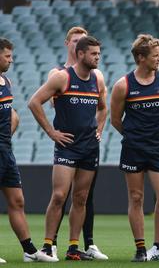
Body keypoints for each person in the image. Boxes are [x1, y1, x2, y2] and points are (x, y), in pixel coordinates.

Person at [109, 34, 159, 262]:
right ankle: (140, 249)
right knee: (136, 197)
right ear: (141, 58)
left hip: (158, 149)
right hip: (133, 150)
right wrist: (135, 137)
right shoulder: (123, 85)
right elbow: (116, 120)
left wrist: (153, 137)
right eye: (155, 56)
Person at [28, 36, 108, 261]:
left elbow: (103, 108)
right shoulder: (62, 78)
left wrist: (99, 129)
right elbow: (34, 102)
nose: (97, 57)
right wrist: (51, 133)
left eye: (99, 54)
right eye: (93, 54)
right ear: (81, 54)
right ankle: (47, 245)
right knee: (59, 195)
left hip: (89, 147)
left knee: (81, 197)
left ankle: (73, 247)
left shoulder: (97, 80)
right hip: (67, 147)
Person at [0, 38, 53, 263]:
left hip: (5, 151)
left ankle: (29, 251)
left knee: (18, 201)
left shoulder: (7, 81)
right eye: (7, 56)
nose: (11, 60)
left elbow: (11, 114)